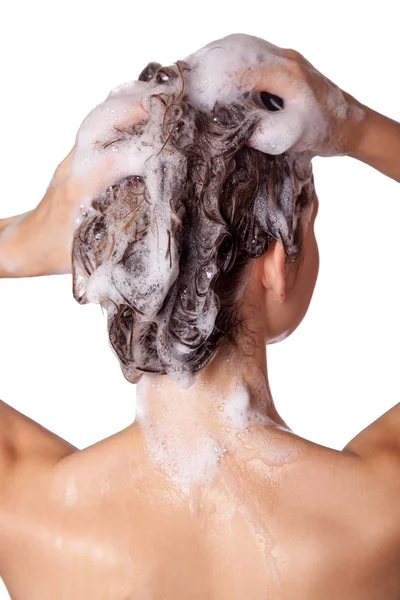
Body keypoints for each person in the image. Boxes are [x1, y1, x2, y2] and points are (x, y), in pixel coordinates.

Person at [0, 34, 399, 600]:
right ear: (278, 262)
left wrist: (23, 242)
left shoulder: (26, 505)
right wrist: (358, 129)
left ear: (121, 263)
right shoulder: (380, 512)